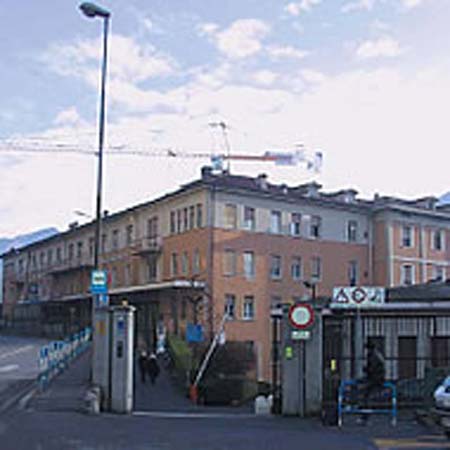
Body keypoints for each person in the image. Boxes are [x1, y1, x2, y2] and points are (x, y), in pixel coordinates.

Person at [358, 342, 385, 424]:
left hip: (375, 379)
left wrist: (366, 369)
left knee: (365, 395)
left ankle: (365, 416)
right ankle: (364, 415)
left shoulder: (373, 356)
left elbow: (372, 369)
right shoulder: (377, 355)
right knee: (366, 396)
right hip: (376, 378)